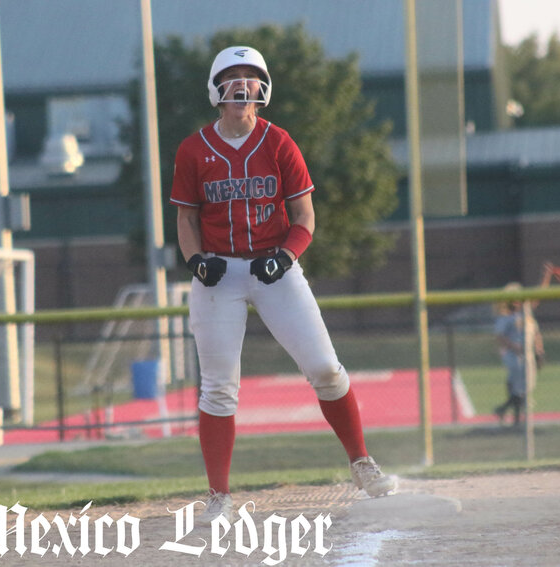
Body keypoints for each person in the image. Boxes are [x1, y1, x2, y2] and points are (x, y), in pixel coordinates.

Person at [169, 46, 397, 525]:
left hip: (274, 267)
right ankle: (218, 496)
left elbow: (305, 217)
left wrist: (287, 255)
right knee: (218, 389)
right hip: (218, 272)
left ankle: (361, 462)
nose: (241, 86)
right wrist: (195, 261)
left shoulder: (279, 143)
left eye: (250, 77)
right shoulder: (194, 149)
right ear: (215, 89)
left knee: (326, 369)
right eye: (232, 77)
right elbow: (186, 219)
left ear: (263, 88)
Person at [493, 282, 544, 427]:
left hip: (527, 356)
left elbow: (536, 333)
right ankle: (513, 417)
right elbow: (500, 336)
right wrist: (514, 347)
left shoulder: (527, 315)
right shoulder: (507, 317)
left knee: (526, 389)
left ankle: (505, 411)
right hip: (515, 356)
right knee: (519, 388)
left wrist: (539, 350)